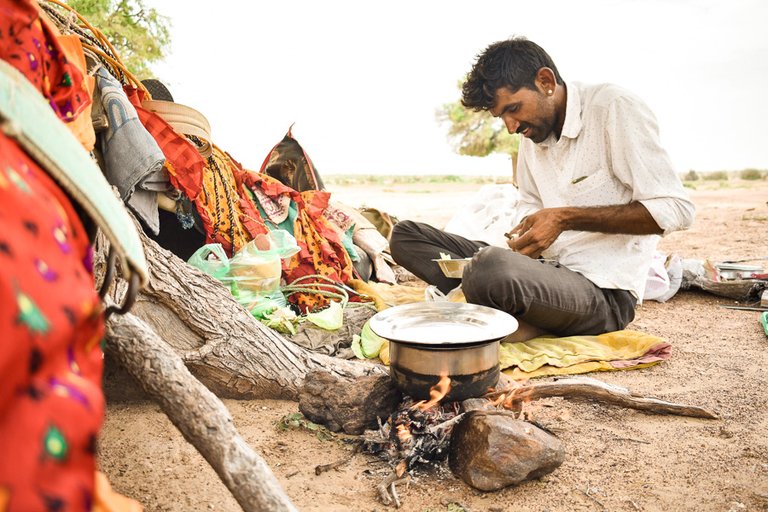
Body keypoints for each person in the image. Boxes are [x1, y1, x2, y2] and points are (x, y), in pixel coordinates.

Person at [389, 37, 694, 341]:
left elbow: (675, 209)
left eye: (514, 109)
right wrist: (527, 235)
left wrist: (565, 218)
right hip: (538, 272)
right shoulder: (532, 134)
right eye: (502, 117)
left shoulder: (613, 108)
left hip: (602, 292)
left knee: (489, 268)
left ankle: (496, 316)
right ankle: (502, 313)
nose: (511, 126)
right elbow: (529, 202)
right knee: (406, 235)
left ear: (545, 81)